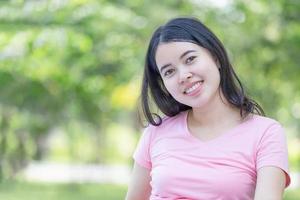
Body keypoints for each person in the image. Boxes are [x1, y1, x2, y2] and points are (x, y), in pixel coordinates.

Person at [125, 17, 290, 200]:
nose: (183, 75)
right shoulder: (155, 132)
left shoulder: (266, 132)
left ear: (216, 57)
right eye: (169, 71)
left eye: (190, 59)